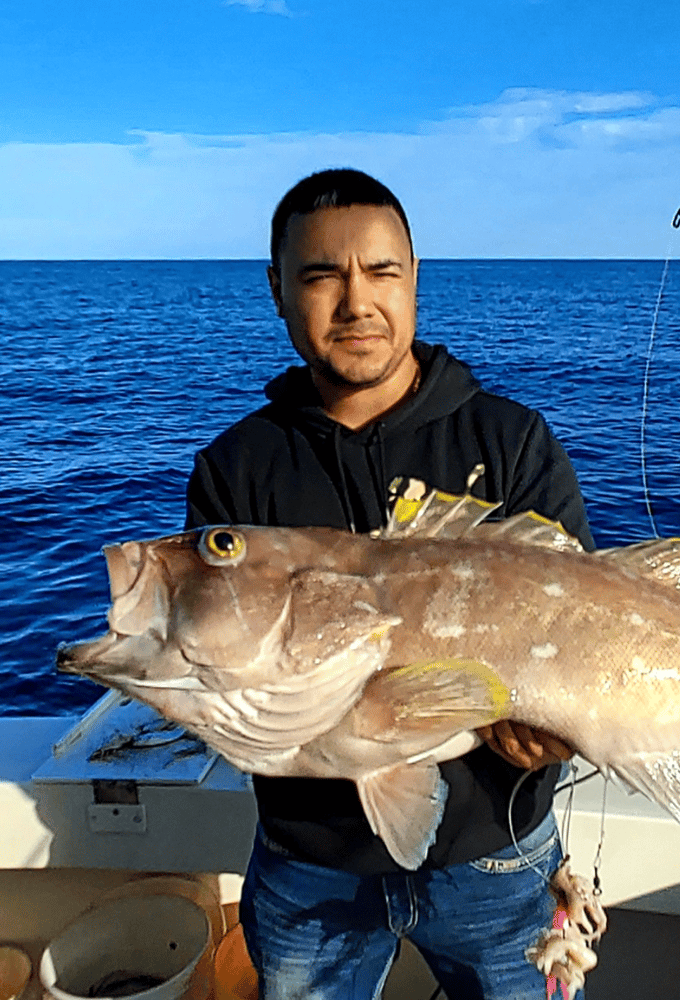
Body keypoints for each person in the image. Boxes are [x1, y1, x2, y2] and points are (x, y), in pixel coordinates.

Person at [185, 168, 596, 999]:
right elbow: (224, 672)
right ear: (276, 290)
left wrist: (561, 727)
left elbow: (581, 630)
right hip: (312, 868)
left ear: (414, 280)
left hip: (500, 853)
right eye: (320, 275)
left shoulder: (511, 441)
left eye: (381, 272)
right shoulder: (237, 471)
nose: (355, 302)